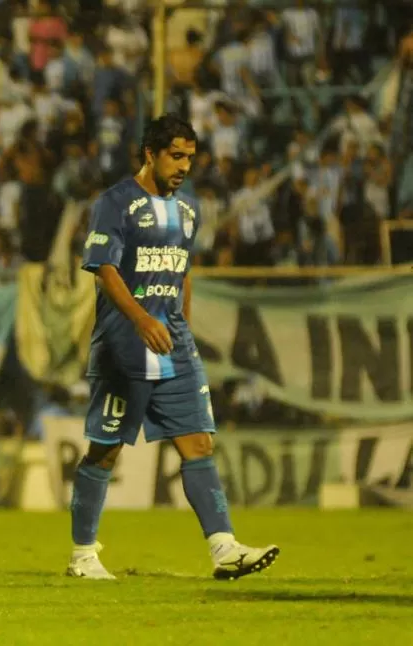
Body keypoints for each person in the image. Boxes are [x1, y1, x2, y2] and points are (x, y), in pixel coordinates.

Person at [68, 114, 279, 580]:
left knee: (199, 442)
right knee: (104, 450)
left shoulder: (188, 209)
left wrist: (180, 322)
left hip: (173, 342)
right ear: (151, 153)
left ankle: (224, 547)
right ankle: (83, 555)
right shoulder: (116, 203)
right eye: (176, 156)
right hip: (124, 343)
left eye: (190, 157)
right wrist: (142, 318)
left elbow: (182, 271)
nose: (184, 166)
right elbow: (104, 268)